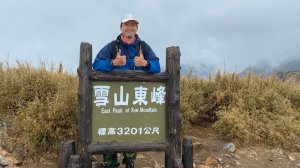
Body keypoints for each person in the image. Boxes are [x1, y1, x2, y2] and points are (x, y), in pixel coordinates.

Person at [92, 14, 161, 168]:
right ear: (121, 27)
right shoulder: (111, 47)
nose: (130, 27)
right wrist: (112, 63)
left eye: (133, 24)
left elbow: (157, 66)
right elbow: (96, 64)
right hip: (114, 100)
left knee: (132, 131)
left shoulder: (144, 47)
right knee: (111, 131)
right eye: (126, 24)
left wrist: (146, 63)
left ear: (137, 27)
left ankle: (130, 163)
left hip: (135, 100)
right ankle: (111, 163)